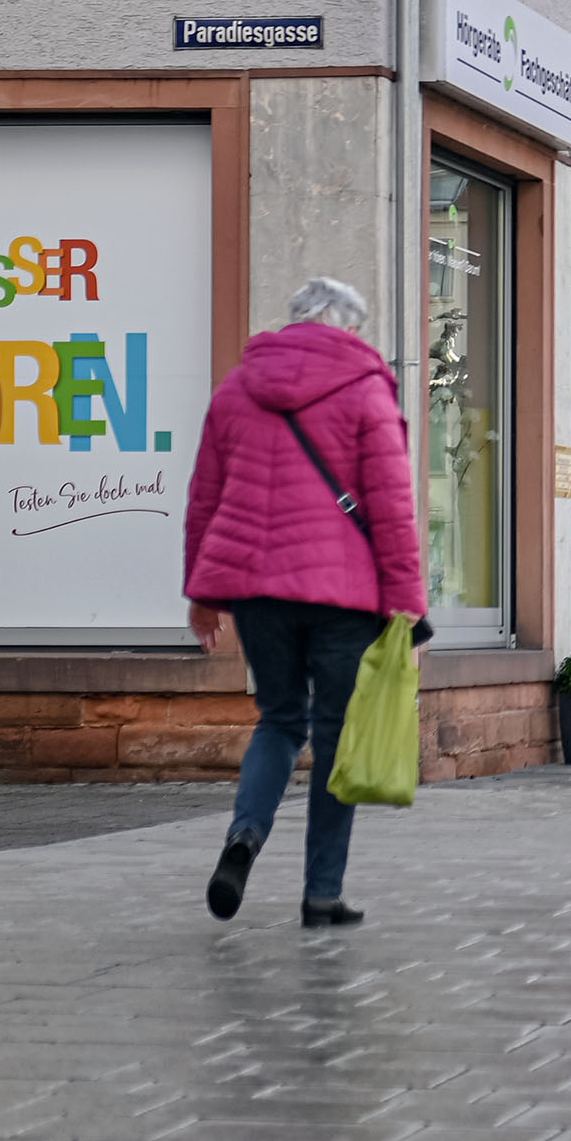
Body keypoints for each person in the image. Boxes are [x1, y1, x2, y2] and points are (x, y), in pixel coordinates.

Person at [183, 277, 426, 930]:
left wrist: (202, 593)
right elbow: (392, 508)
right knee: (336, 734)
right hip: (341, 597)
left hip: (256, 591)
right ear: (350, 326)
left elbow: (205, 497)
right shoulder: (365, 389)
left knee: (279, 719)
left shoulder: (237, 388)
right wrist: (406, 609)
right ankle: (321, 893)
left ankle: (244, 836)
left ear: (294, 321)